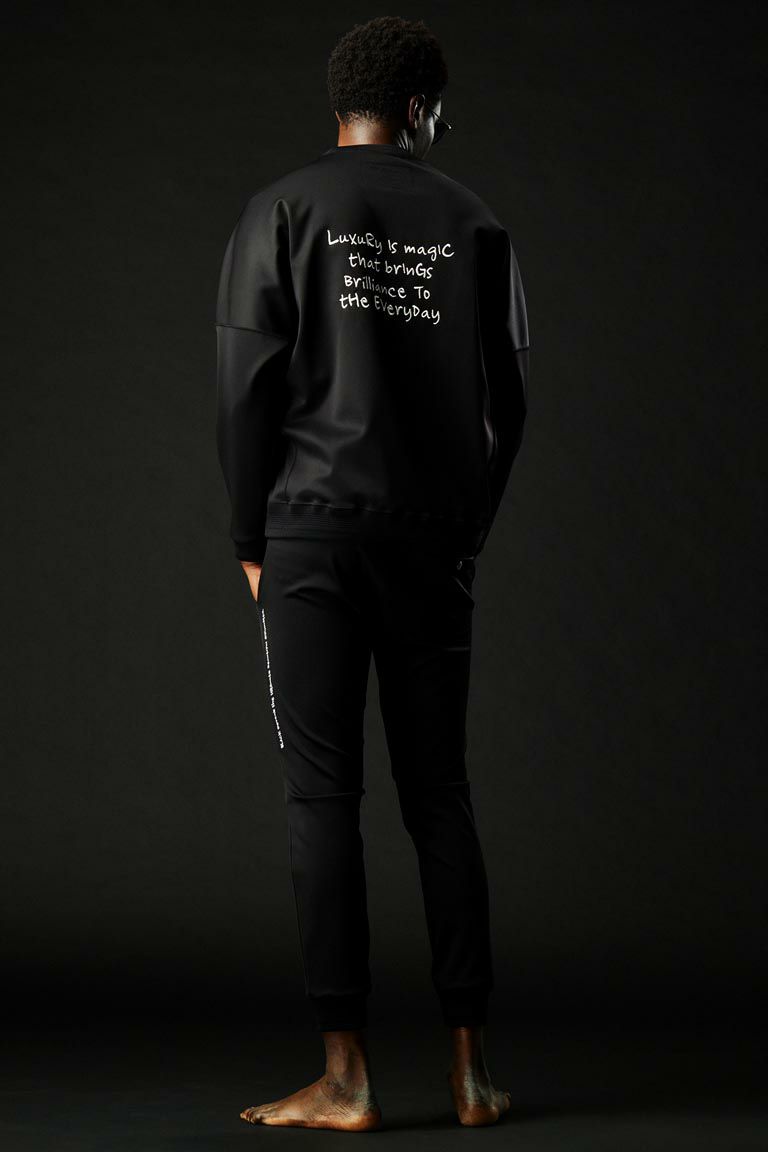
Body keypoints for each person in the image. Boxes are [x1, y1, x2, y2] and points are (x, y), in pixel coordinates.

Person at [214, 15, 529, 1131]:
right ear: (420, 109)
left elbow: (245, 387)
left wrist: (250, 541)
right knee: (440, 794)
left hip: (309, 537)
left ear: (341, 104)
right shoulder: (476, 224)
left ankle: (346, 1078)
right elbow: (508, 406)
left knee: (322, 799)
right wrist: (465, 530)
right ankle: (470, 1074)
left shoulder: (281, 210)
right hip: (430, 541)